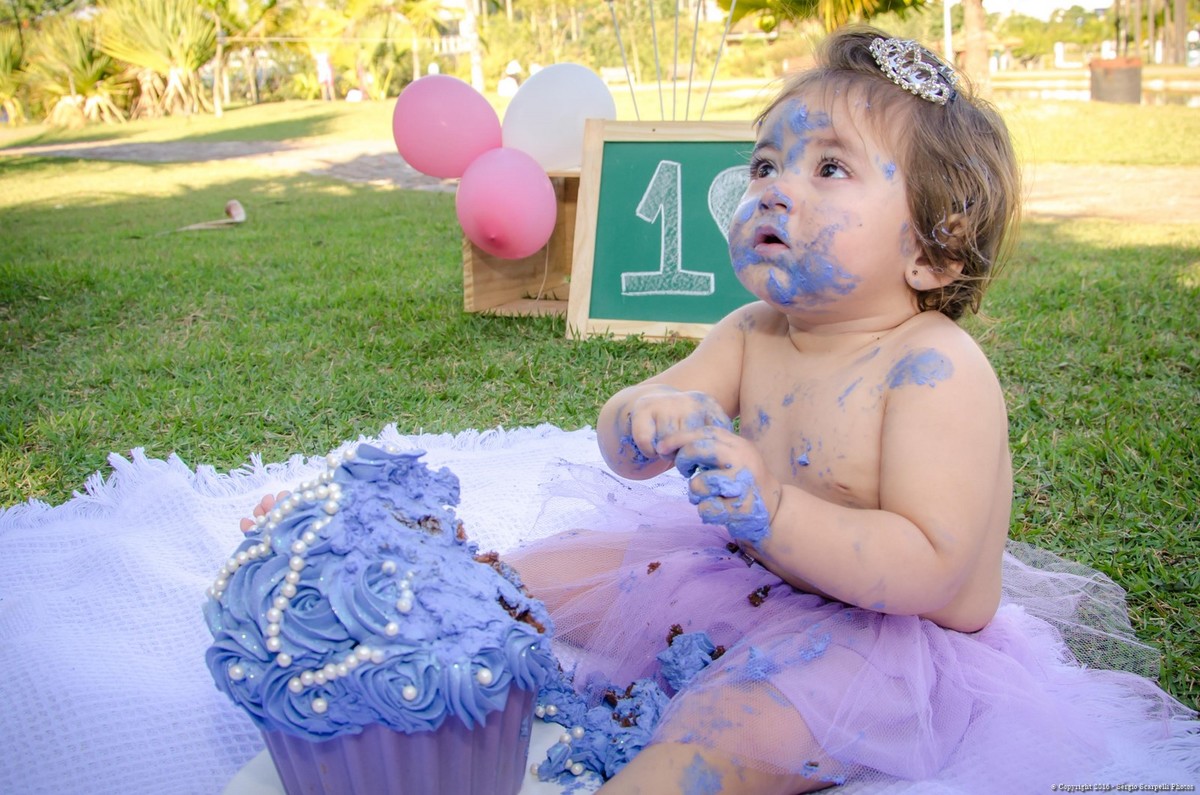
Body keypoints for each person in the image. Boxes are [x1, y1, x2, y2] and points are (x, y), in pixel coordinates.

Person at [244, 26, 1197, 793]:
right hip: (740, 575)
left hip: (889, 641)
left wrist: (772, 508)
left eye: (830, 169)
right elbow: (632, 432)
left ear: (932, 252)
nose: (775, 187)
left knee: (725, 731)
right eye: (766, 165)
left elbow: (929, 566)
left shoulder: (935, 368)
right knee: (541, 574)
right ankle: (407, 594)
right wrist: (644, 417)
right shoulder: (753, 329)